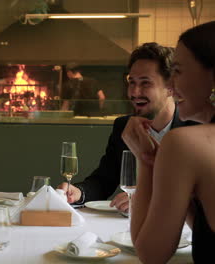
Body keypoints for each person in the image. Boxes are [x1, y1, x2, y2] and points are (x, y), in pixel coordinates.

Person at [57, 42, 198, 212]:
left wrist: (148, 197)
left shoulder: (198, 128)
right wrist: (78, 192)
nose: (135, 92)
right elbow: (103, 180)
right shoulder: (123, 126)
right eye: (132, 82)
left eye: (145, 83)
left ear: (171, 88)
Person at [122, 22, 215, 263]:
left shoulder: (185, 143)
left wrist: (147, 160)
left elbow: (150, 254)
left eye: (178, 71)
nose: (170, 86)